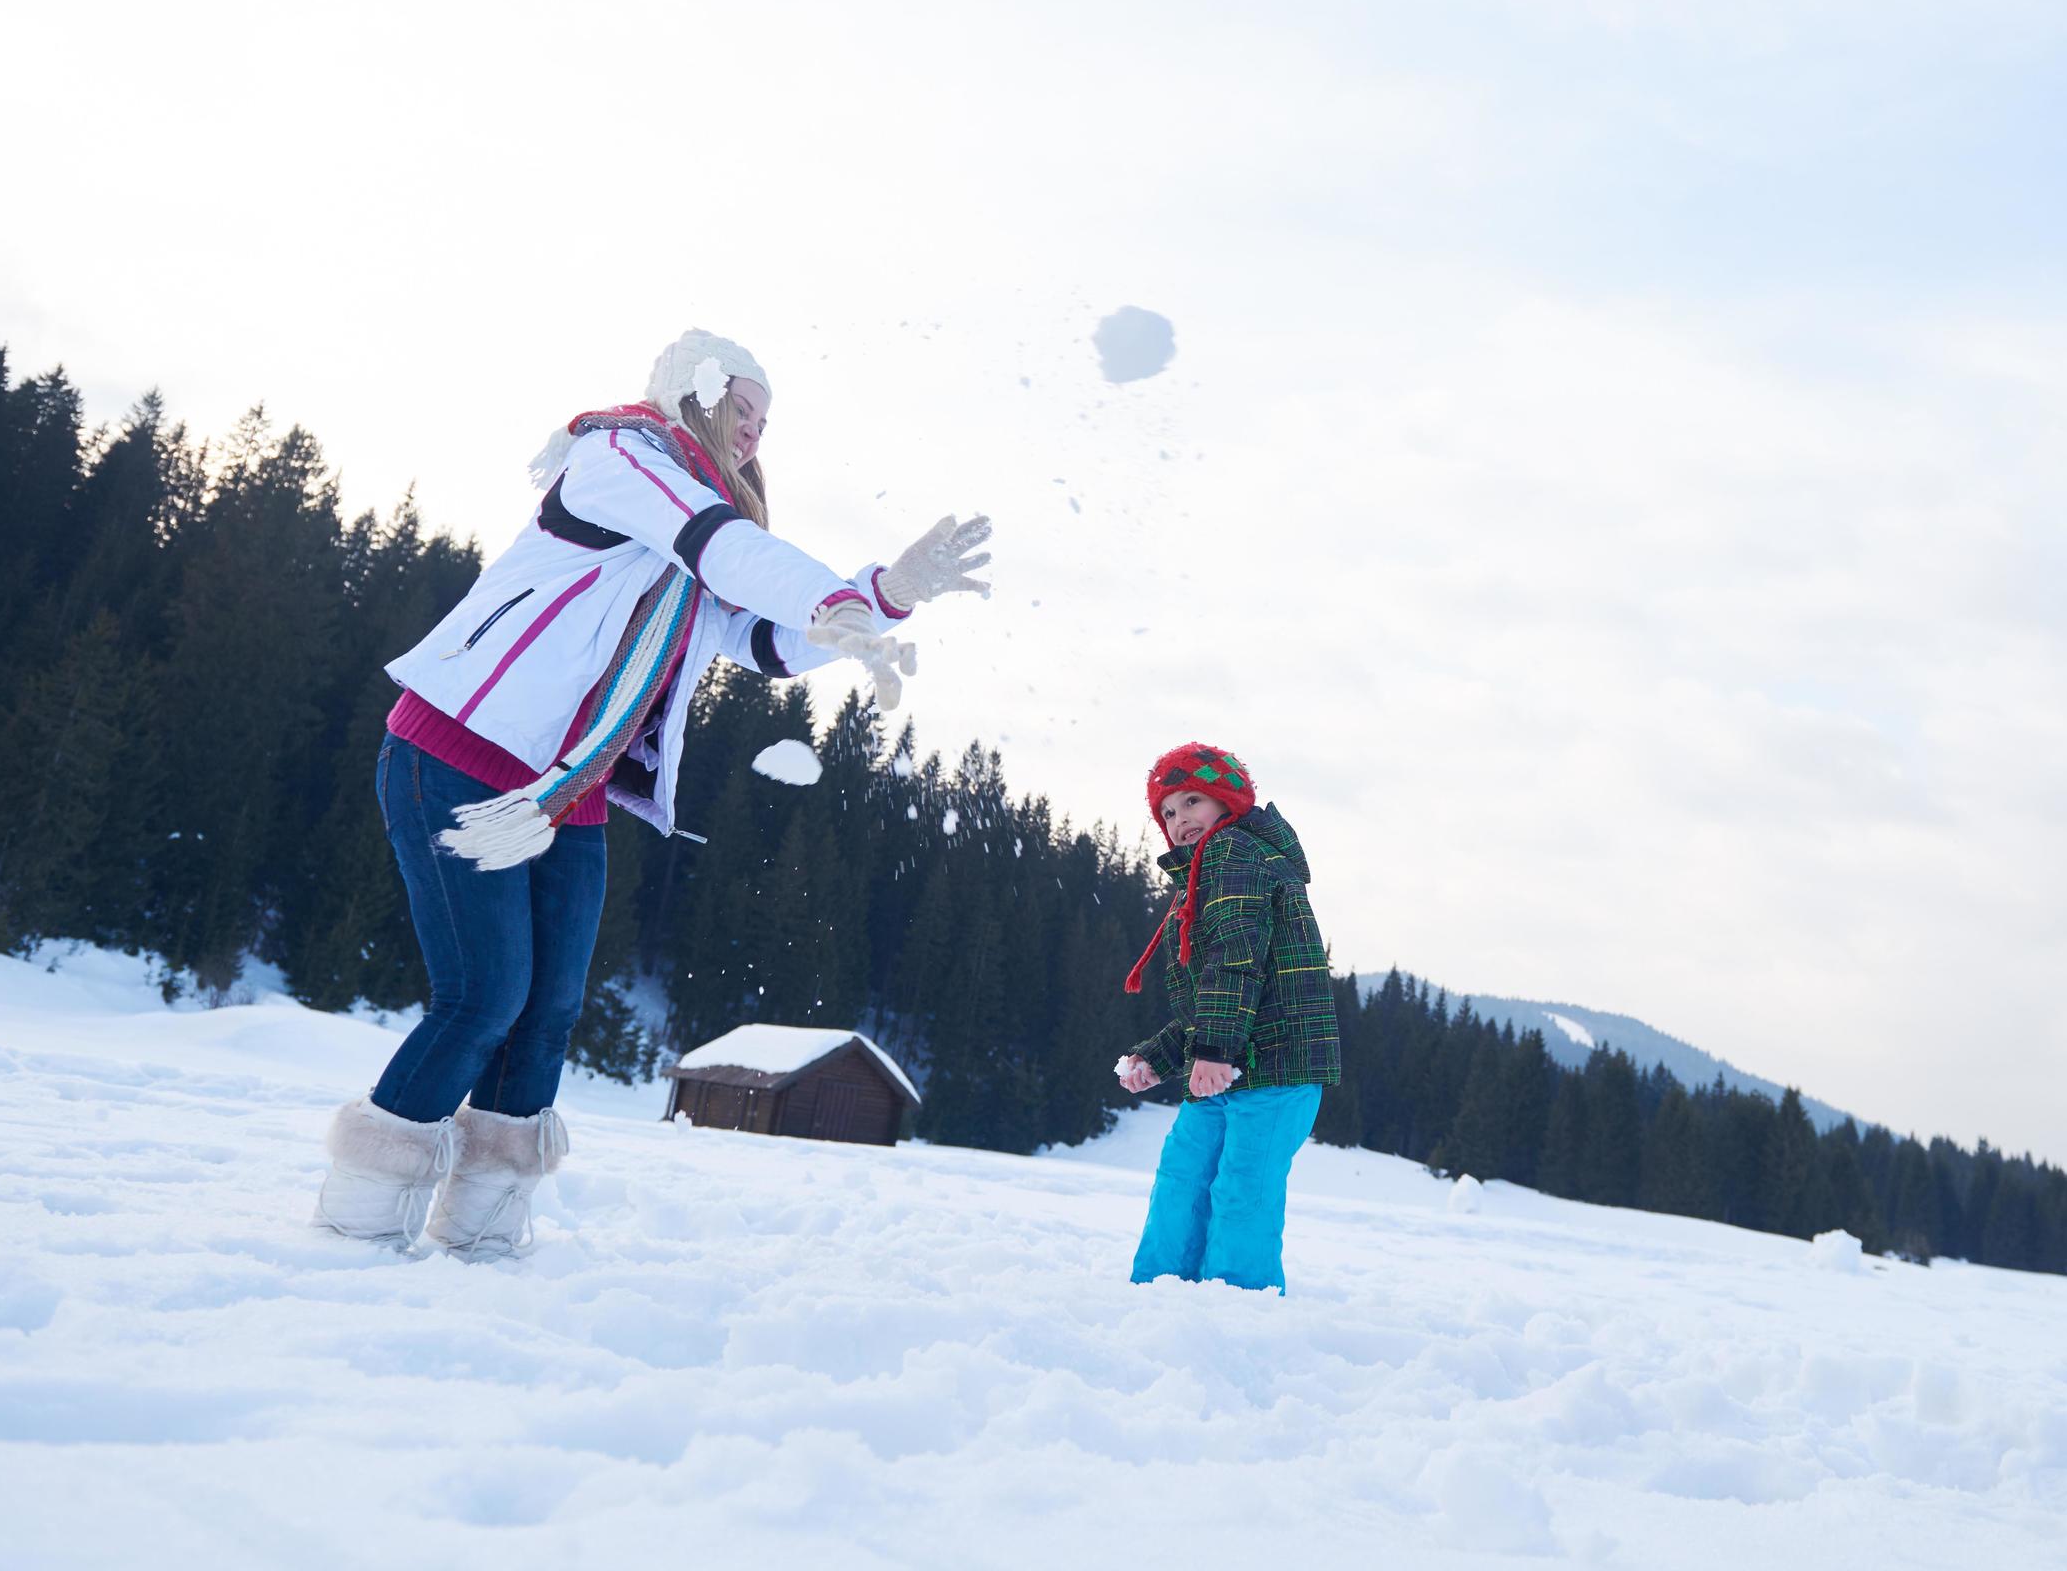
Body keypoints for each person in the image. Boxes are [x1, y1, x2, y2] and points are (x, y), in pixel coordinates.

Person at [312, 328, 993, 1258]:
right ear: (694, 394)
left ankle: (482, 1229)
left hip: (564, 794)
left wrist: (885, 595)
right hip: (457, 754)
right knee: (482, 997)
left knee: (547, 1007)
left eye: (764, 423)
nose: (752, 434)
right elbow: (721, 548)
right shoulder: (619, 459)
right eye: (740, 411)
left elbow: (761, 642)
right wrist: (825, 598)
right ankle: (359, 1216)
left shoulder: (698, 529)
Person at [1115, 743, 1342, 1293]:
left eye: (1193, 800)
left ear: (1227, 801)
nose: (1179, 819)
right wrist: (1161, 1055)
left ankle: (1241, 1307)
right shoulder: (1206, 871)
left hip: (1277, 1066)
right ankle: (1158, 1292)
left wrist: (1212, 1051)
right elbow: (1212, 993)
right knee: (1183, 1179)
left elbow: (1235, 959)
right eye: (1167, 811)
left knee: (1242, 1189)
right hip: (1229, 1061)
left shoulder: (1234, 854)